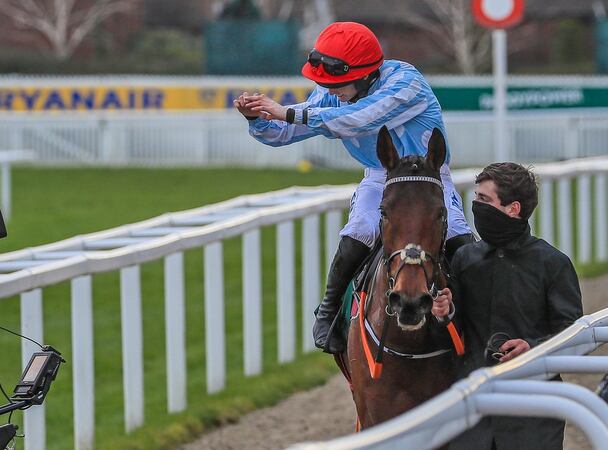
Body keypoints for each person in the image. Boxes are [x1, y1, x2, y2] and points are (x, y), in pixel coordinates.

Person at [233, 21, 473, 354]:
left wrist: (287, 112)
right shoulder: (336, 94)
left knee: (457, 234)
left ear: (365, 75)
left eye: (336, 84)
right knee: (359, 229)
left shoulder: (406, 82)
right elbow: (284, 132)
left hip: (429, 176)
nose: (330, 92)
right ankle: (329, 310)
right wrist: (257, 118)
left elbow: (361, 118)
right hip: (381, 176)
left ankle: (485, 317)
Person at [432, 163, 583, 450]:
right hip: (472, 411)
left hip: (534, 414)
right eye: (475, 197)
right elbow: (452, 335)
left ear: (513, 209)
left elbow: (573, 340)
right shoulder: (464, 259)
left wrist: (533, 348)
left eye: (484, 200)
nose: (476, 206)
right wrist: (445, 313)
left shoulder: (553, 264)